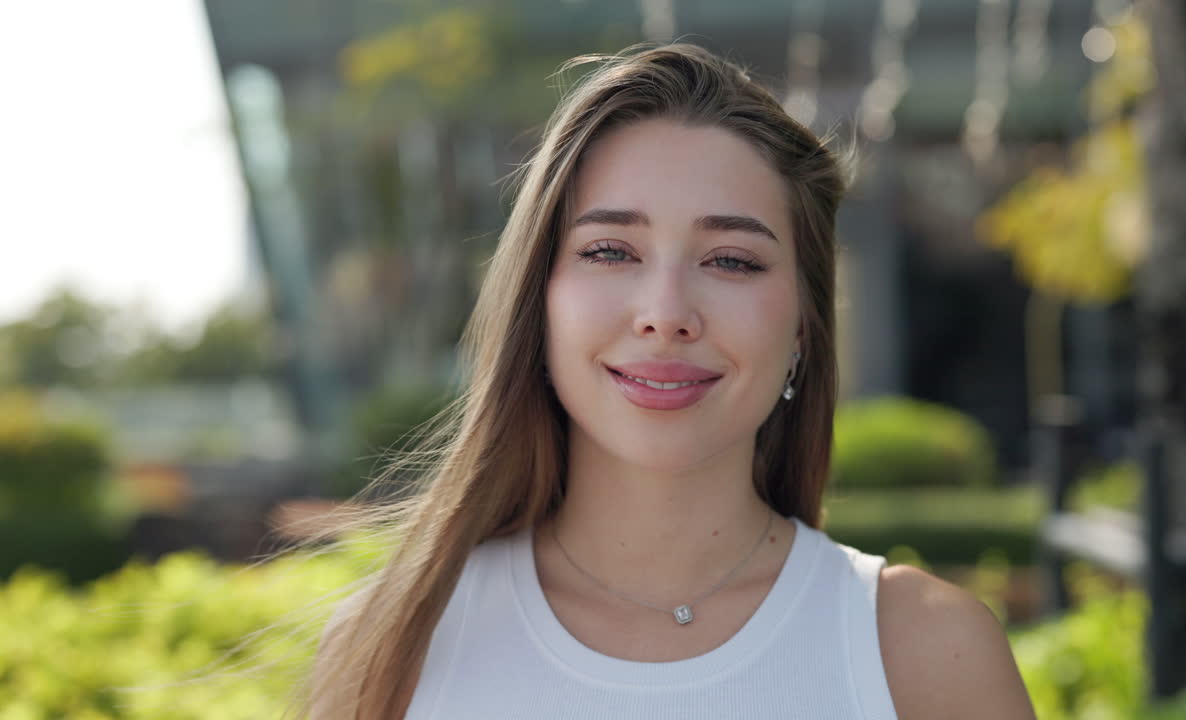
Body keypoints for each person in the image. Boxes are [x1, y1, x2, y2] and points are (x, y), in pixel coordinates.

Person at [307, 43, 1037, 719]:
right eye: (610, 250)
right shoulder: (393, 648)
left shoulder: (929, 656)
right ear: (540, 299)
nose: (665, 314)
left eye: (731, 261)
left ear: (803, 329)